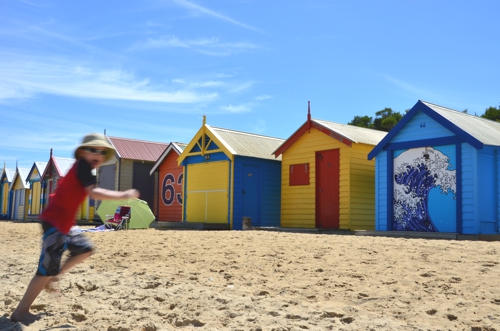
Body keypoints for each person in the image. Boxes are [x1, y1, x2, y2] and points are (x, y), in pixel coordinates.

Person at [11, 133, 140, 324]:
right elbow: (93, 192)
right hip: (55, 222)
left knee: (84, 249)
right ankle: (20, 312)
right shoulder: (82, 166)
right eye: (93, 149)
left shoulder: (86, 169)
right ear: (82, 152)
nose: (98, 153)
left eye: (102, 151)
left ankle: (53, 276)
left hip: (66, 224)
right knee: (45, 269)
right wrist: (123, 195)